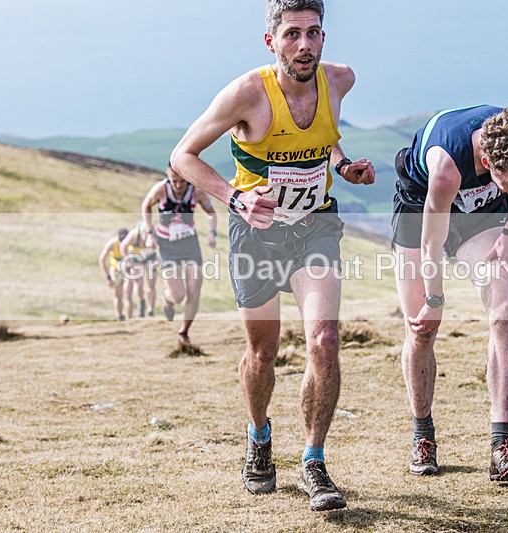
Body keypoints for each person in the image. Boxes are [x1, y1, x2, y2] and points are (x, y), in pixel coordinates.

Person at [170, 0, 374, 512]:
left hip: (315, 229)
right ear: (271, 41)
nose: (304, 45)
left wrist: (344, 165)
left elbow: (325, 141)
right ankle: (259, 438)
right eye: (291, 35)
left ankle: (314, 460)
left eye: (313, 33)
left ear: (324, 37)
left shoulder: (340, 80)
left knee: (324, 341)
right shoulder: (247, 93)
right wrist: (235, 196)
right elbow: (183, 156)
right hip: (256, 235)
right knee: (263, 352)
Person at [391, 106, 508, 481]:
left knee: (507, 310)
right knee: (421, 329)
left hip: (482, 212)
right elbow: (432, 244)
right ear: (487, 161)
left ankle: (502, 447)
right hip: (423, 208)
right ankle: (423, 436)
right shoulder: (447, 168)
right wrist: (435, 301)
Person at [140, 164, 217, 346]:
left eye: (182, 181)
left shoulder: (196, 191)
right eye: (174, 181)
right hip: (167, 246)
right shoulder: (160, 189)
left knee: (194, 290)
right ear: (168, 177)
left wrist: (212, 232)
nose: (178, 185)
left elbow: (211, 213)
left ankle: (183, 331)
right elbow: (146, 206)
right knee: (178, 295)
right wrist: (149, 232)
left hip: (190, 244)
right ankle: (168, 298)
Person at [120, 221, 158, 318]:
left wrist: (158, 260)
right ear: (143, 234)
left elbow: (161, 248)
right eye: (146, 240)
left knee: (151, 283)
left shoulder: (155, 234)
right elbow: (123, 247)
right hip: (135, 256)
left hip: (150, 256)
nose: (146, 242)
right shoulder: (134, 234)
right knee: (138, 284)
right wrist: (127, 260)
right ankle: (141, 300)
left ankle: (150, 310)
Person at [98, 228, 130, 321]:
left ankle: (130, 316)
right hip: (116, 271)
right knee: (118, 295)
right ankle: (120, 316)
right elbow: (102, 260)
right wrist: (108, 277)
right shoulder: (111, 244)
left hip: (128, 270)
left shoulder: (131, 243)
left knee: (128, 294)